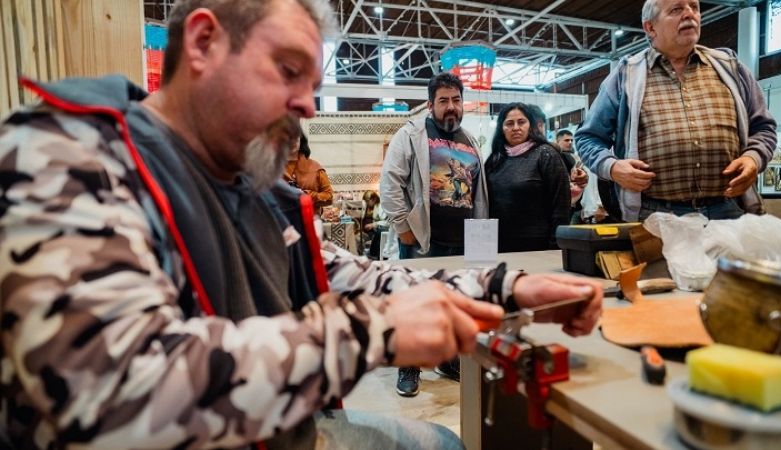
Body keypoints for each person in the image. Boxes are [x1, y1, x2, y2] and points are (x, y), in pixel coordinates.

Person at [0, 0, 604, 448]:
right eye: (288, 69)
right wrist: (369, 332)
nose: (309, 103)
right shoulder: (66, 152)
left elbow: (357, 278)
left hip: (281, 429)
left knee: (447, 442)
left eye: (313, 84)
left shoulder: (251, 188)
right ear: (205, 42)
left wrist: (504, 287)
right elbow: (107, 392)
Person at [574, 0, 777, 222]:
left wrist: (753, 158)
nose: (690, 14)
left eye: (694, 7)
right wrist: (612, 167)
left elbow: (763, 127)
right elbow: (588, 137)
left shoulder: (730, 67)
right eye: (677, 9)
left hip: (727, 211)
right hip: (655, 216)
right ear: (650, 27)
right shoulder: (626, 75)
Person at [380, 72, 489, 396]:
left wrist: (480, 236)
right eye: (443, 101)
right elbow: (390, 183)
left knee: (452, 305)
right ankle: (409, 365)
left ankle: (447, 358)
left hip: (463, 242)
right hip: (423, 241)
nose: (450, 106)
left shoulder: (469, 141)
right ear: (430, 105)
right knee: (415, 305)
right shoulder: (411, 134)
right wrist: (404, 228)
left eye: (456, 100)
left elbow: (477, 192)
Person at [485, 103, 571, 252]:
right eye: (509, 123)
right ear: (501, 128)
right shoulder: (494, 160)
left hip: (538, 247)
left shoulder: (546, 154)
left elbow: (561, 206)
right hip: (499, 245)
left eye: (521, 122)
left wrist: (556, 247)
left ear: (530, 125)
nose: (516, 128)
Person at [284, 130, 335, 211]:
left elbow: (329, 197)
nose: (292, 142)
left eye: (295, 138)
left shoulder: (315, 168)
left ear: (301, 141)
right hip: (280, 221)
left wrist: (307, 195)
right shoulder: (272, 169)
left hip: (310, 220)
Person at [556, 129, 589, 223]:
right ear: (558, 141)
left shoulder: (576, 158)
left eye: (571, 140)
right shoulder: (552, 157)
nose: (570, 142)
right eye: (566, 140)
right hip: (561, 204)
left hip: (578, 204)